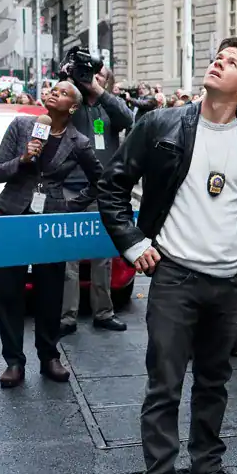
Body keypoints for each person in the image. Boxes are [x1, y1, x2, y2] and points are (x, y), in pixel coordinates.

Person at [96, 37, 237, 474]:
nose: (218, 64)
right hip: (174, 277)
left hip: (230, 283)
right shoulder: (160, 124)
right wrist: (133, 242)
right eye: (218, 58)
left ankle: (208, 465)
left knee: (213, 383)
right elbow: (112, 185)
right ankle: (161, 470)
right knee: (164, 385)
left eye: (231, 63)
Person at [0, 81, 104, 388]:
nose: (55, 92)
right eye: (54, 88)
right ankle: (14, 361)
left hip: (51, 221)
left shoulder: (79, 142)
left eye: (64, 92)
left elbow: (100, 181)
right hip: (12, 214)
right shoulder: (21, 126)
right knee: (8, 290)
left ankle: (49, 355)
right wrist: (23, 159)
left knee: (51, 291)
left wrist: (71, 206)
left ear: (73, 107)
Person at [61, 61, 134, 336]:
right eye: (90, 74)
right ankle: (67, 316)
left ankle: (103, 312)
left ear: (107, 81)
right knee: (68, 257)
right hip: (71, 188)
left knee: (102, 256)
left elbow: (128, 120)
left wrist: (98, 91)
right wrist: (69, 80)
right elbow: (55, 112)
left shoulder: (110, 105)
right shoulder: (74, 102)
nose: (92, 78)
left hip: (103, 190)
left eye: (99, 75)